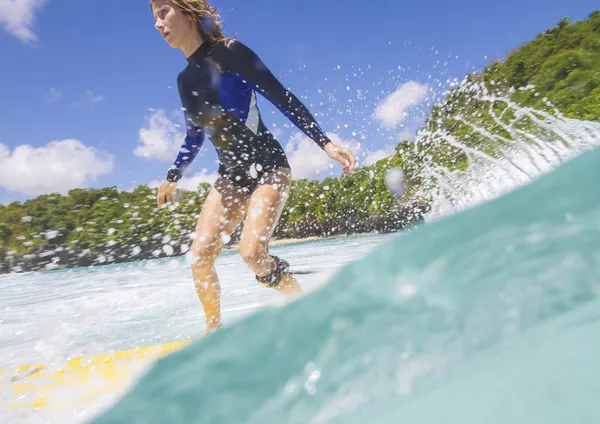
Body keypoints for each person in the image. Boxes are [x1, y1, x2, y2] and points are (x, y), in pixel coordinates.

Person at [150, 0, 357, 333]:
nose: (158, 24)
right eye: (155, 17)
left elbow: (282, 97)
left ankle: (309, 316)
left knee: (252, 254)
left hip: (268, 167)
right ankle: (213, 331)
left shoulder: (229, 52)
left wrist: (326, 144)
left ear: (187, 11)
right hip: (231, 176)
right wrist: (172, 176)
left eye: (163, 13)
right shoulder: (184, 80)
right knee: (199, 257)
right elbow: (194, 136)